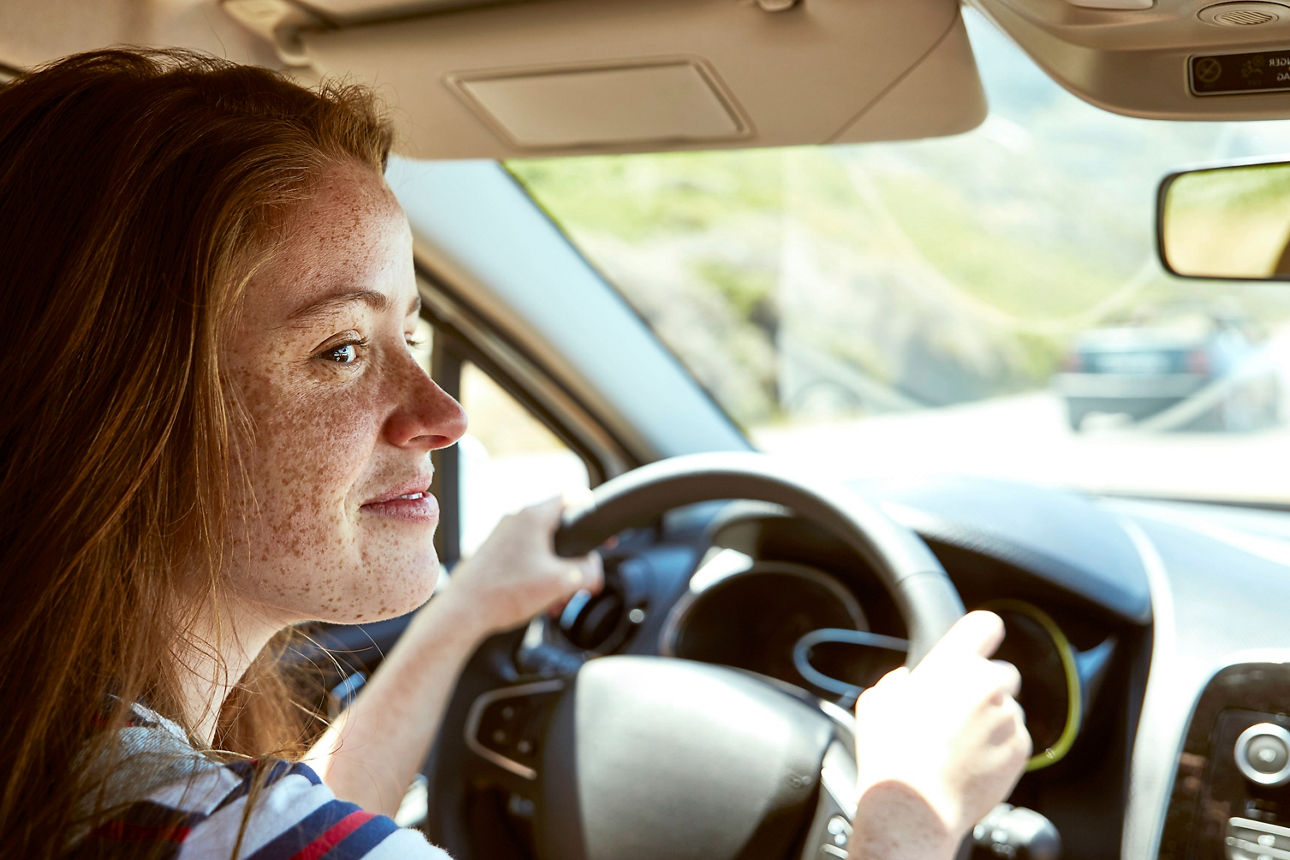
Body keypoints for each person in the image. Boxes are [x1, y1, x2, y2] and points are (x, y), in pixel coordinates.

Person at [0, 48, 1030, 860]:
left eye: (413, 333)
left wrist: (462, 616)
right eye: (343, 348)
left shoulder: (77, 772)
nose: (439, 412)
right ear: (114, 413)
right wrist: (910, 812)